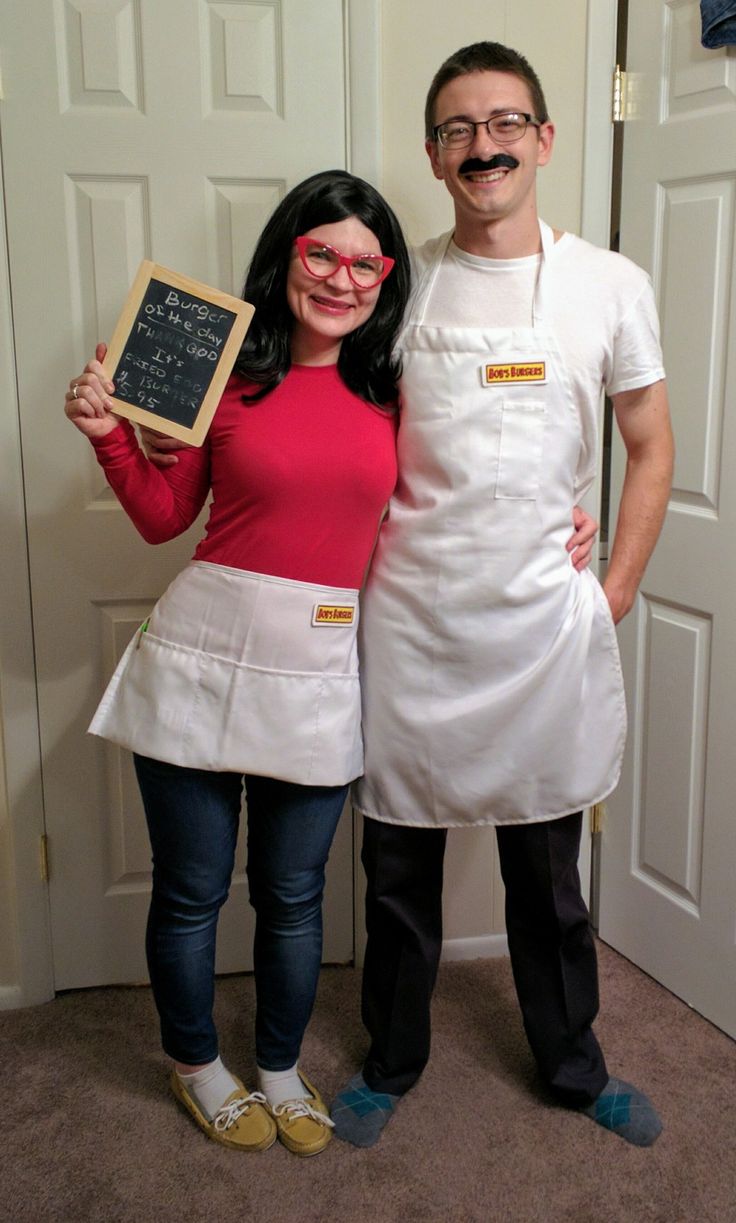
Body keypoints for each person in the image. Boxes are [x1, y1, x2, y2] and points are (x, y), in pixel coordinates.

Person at [329, 42, 675, 1150]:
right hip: (413, 622)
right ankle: (390, 1059)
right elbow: (329, 426)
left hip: (539, 628)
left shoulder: (610, 284)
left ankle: (574, 1066)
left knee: (549, 880)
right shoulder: (396, 283)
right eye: (457, 130)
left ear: (543, 137)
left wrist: (614, 585)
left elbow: (650, 445)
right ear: (433, 157)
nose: (483, 146)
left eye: (504, 123)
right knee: (396, 873)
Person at [63, 170, 413, 1157]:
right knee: (191, 890)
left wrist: (558, 519)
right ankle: (195, 1065)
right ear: (285, 255)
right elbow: (164, 519)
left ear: (384, 280)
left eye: (364, 263)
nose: (341, 278)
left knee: (295, 896)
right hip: (199, 656)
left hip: (316, 668)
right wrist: (108, 441)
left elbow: (449, 513)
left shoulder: (396, 392)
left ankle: (277, 1065)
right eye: (320, 253)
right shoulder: (219, 371)